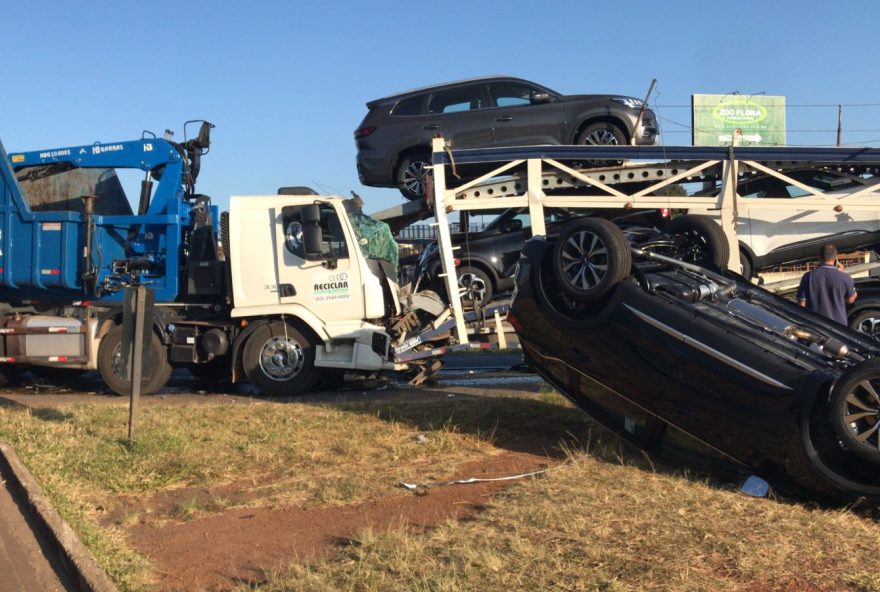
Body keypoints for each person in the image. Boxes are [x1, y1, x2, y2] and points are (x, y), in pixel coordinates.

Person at [796, 243, 857, 325]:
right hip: (839, 326)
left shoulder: (808, 276)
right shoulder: (845, 278)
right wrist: (854, 293)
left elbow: (801, 303)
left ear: (819, 257)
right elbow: (850, 300)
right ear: (835, 258)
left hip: (815, 325)